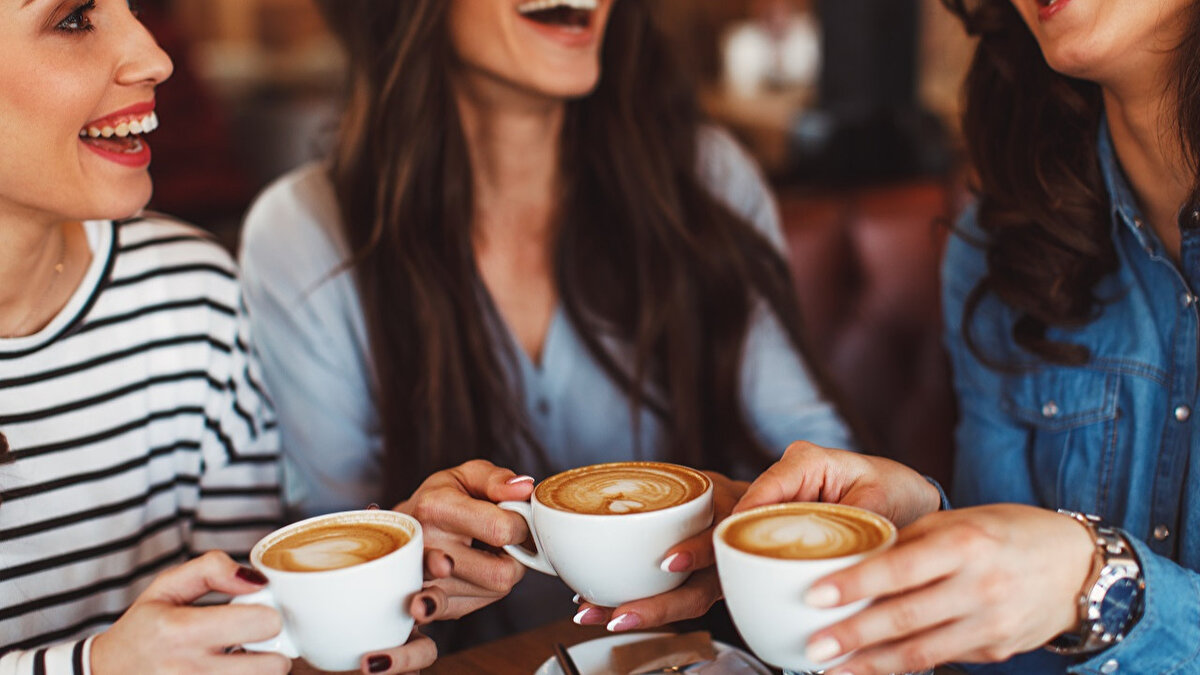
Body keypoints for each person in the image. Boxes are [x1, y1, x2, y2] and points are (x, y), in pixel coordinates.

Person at [240, 0, 852, 646]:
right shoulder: (302, 234)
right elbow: (324, 556)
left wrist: (753, 515)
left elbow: (820, 463)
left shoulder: (706, 179)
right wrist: (403, 542)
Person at [729, 0, 1200, 673]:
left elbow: (1064, 581)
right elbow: (1003, 643)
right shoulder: (1003, 244)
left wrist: (1101, 586)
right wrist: (923, 522)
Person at [0, 3, 441, 673]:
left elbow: (240, 627)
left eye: (132, 7)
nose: (156, 58)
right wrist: (97, 666)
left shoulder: (189, 291)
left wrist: (384, 575)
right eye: (74, 18)